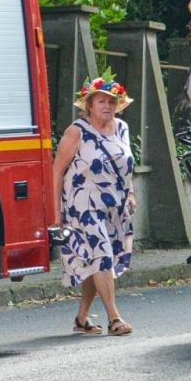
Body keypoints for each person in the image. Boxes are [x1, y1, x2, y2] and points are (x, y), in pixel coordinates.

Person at [51, 77, 135, 336]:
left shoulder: (121, 128)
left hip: (113, 205)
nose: (107, 106)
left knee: (95, 261)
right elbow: (57, 171)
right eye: (101, 101)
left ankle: (81, 318)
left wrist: (130, 193)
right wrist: (57, 214)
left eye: (112, 101)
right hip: (82, 204)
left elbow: (127, 164)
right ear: (89, 105)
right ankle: (114, 318)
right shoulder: (77, 131)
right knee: (102, 255)